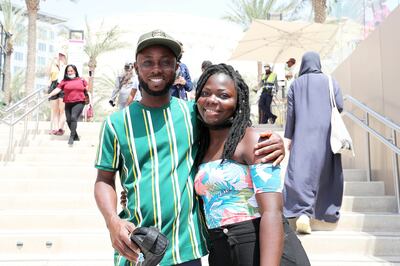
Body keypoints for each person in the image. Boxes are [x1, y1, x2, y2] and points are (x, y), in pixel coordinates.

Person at [94, 29, 285, 266]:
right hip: (135, 247)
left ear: (176, 68)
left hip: (187, 250)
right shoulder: (115, 124)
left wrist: (274, 141)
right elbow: (104, 179)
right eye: (148, 62)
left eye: (166, 62)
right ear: (136, 67)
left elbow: (235, 129)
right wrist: (112, 220)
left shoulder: (196, 114)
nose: (157, 69)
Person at [194, 64, 310, 266]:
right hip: (221, 249)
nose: (212, 100)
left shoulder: (253, 140)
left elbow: (272, 212)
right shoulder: (200, 144)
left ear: (238, 101)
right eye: (205, 93)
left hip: (262, 248)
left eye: (223, 95)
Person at [283, 51, 344, 234]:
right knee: (325, 170)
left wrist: (289, 137)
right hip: (326, 135)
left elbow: (291, 115)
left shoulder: (295, 84)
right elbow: (339, 106)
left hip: (302, 133)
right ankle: (323, 211)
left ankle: (302, 213)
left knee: (299, 172)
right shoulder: (330, 81)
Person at [48, 64, 88, 145]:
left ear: (75, 71)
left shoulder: (81, 80)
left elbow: (87, 88)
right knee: (69, 120)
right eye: (68, 71)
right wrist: (50, 94)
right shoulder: (64, 81)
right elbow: (58, 89)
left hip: (79, 101)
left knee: (73, 117)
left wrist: (90, 77)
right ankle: (75, 135)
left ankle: (71, 137)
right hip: (68, 102)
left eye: (71, 71)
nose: (70, 72)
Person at [47, 52, 67, 135]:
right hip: (54, 85)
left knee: (62, 109)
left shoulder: (66, 66)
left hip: (63, 85)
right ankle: (55, 128)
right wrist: (53, 61)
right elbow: (48, 73)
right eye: (59, 55)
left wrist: (63, 62)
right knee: (55, 110)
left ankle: (60, 128)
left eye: (62, 55)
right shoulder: (52, 65)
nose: (60, 57)